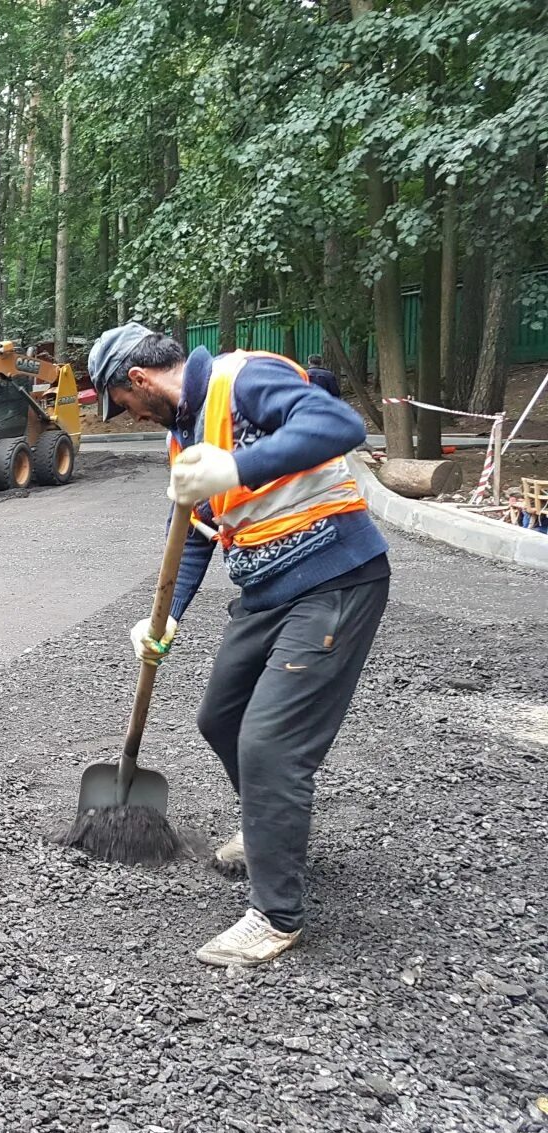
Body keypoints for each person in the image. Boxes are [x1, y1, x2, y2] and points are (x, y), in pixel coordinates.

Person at [88, 323, 389, 968]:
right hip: (265, 591)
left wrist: (238, 464)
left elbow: (340, 426)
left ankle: (276, 915)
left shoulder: (241, 378)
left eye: (123, 403)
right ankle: (268, 830)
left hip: (332, 578)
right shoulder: (185, 431)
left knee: (270, 745)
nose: (129, 416)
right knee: (220, 716)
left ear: (138, 380)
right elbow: (194, 533)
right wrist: (163, 618)